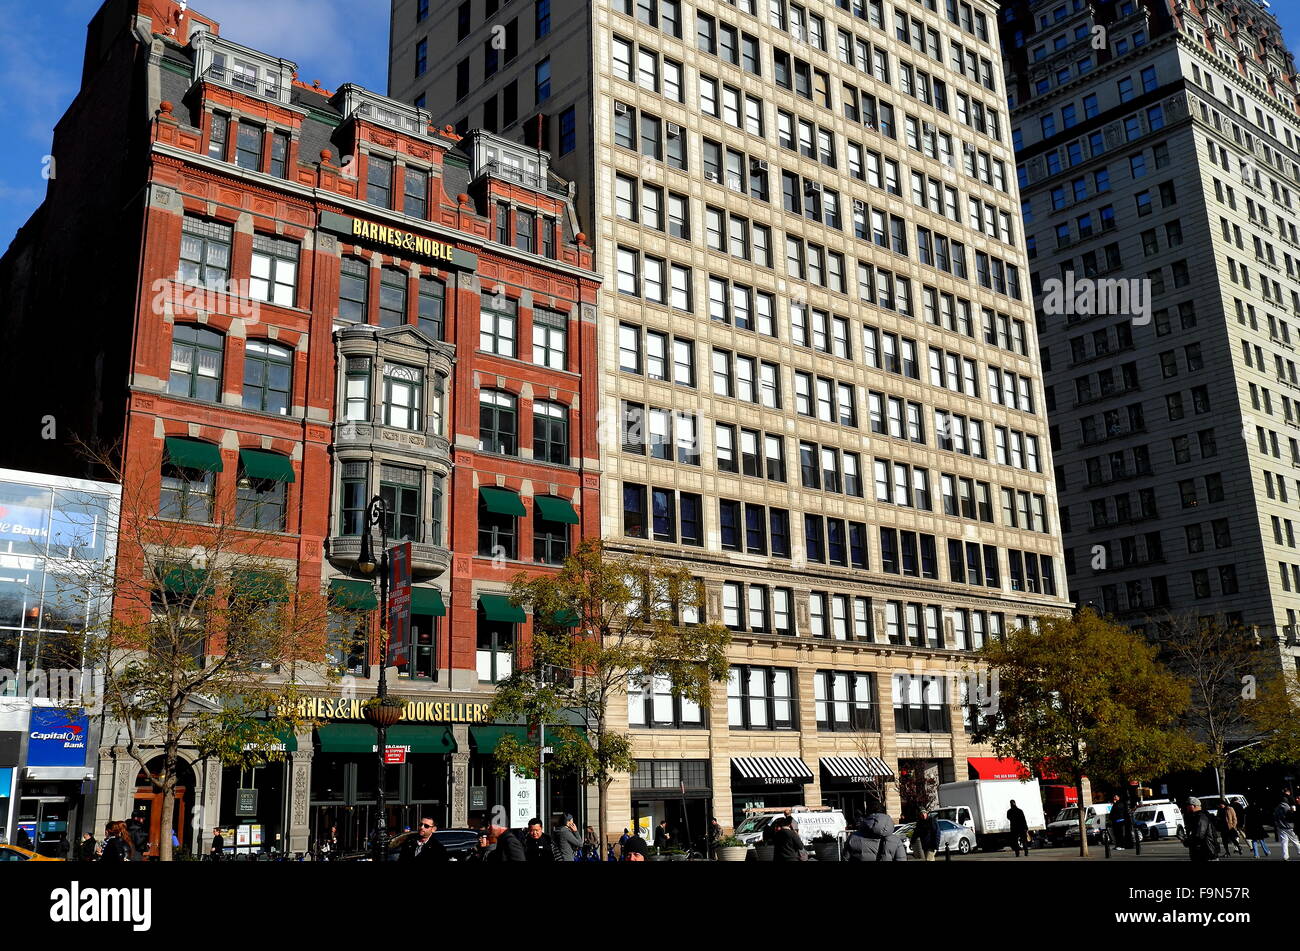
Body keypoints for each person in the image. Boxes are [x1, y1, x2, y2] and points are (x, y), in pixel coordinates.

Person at [1183, 798, 1222, 862]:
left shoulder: (1201, 817)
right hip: (1203, 853)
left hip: (1206, 853)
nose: (1186, 807)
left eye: (1188, 805)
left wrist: (1186, 842)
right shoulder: (1197, 816)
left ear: (1194, 806)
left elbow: (1199, 836)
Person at [1274, 792, 1300, 861]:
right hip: (1289, 827)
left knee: (1284, 842)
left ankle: (1285, 856)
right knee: (1295, 841)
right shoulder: (1287, 808)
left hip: (1281, 827)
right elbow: (1291, 817)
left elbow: (1275, 818)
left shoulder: (1277, 808)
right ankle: (1299, 851)